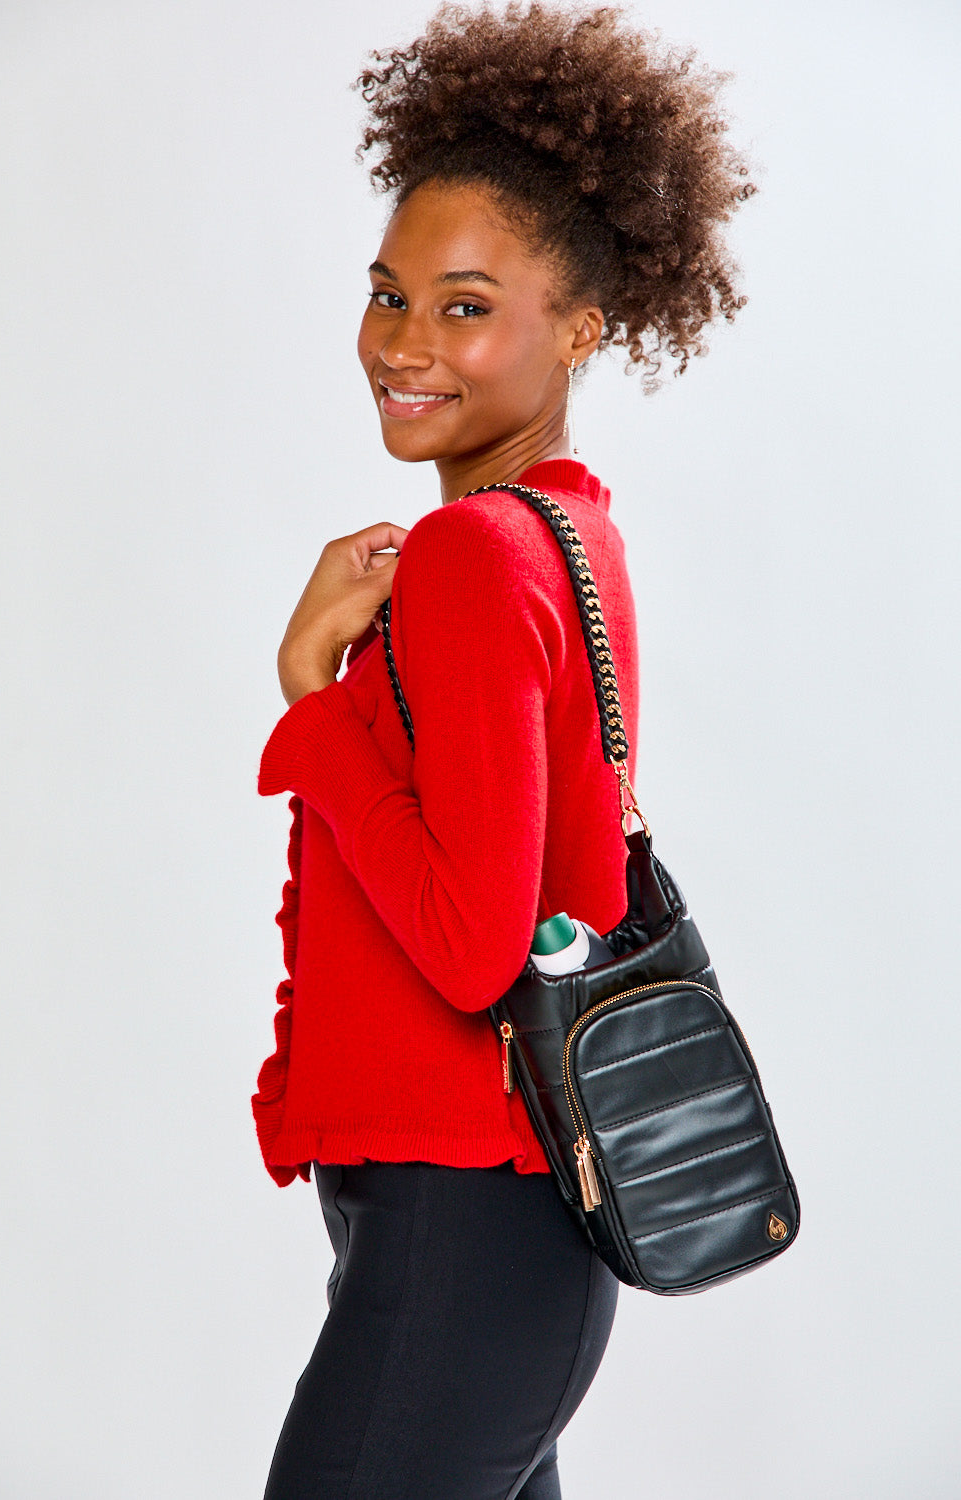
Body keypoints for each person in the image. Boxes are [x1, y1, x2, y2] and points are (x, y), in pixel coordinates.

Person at [253, 5, 754, 1496]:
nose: (403, 345)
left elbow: (475, 948)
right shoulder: (568, 531)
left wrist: (309, 696)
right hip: (500, 1228)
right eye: (388, 294)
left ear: (581, 327)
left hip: (465, 1227)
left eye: (464, 306)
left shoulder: (478, 555)